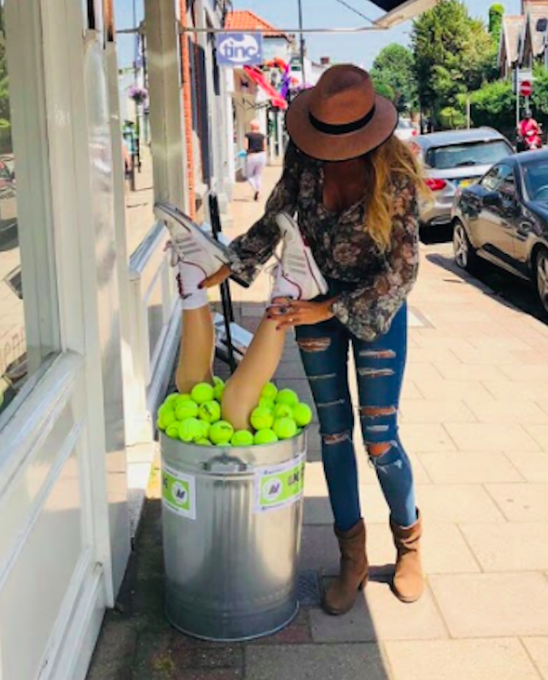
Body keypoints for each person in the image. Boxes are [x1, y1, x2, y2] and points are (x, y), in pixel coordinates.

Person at [155, 65, 426, 615]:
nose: (331, 150)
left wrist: (328, 307)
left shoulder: (394, 173)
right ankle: (352, 558)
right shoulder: (305, 159)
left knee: (379, 438)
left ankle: (409, 545)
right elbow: (273, 221)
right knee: (333, 435)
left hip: (375, 308)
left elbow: (404, 267)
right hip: (311, 301)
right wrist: (227, 267)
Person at [244, 120, 266, 202]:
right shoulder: (262, 136)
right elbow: (264, 147)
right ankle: (259, 190)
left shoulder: (248, 135)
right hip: (261, 156)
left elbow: (246, 147)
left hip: (252, 155)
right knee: (258, 175)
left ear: (251, 127)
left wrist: (246, 153)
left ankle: (256, 189)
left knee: (249, 175)